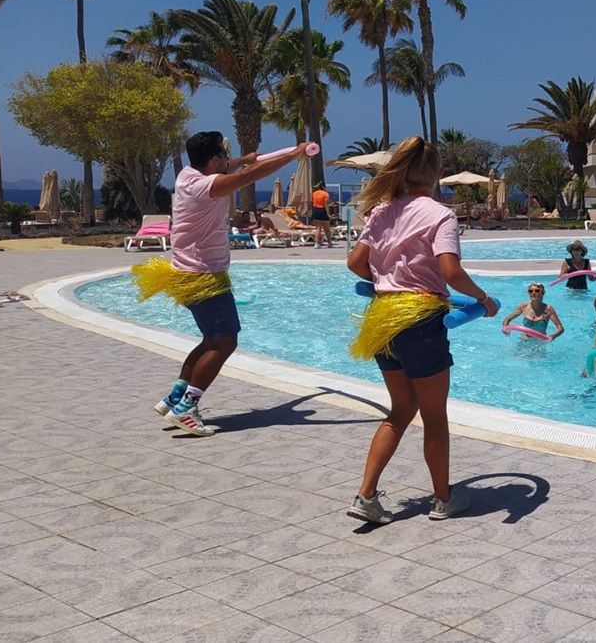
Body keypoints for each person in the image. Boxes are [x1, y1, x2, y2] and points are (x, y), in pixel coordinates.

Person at [345, 136, 498, 524]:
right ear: (437, 175)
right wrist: (485, 299)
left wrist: (386, 278)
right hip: (420, 323)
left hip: (383, 321)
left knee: (399, 412)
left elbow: (356, 264)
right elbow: (450, 272)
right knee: (433, 416)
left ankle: (366, 495)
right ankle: (443, 499)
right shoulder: (439, 215)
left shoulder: (380, 212)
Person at [140, 132, 310, 437]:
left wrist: (240, 160)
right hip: (203, 273)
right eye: (222, 157)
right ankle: (187, 408)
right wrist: (292, 156)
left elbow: (235, 167)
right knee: (225, 342)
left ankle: (174, 398)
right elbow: (251, 176)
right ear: (214, 160)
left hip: (187, 271)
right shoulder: (209, 185)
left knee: (210, 340)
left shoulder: (187, 176)